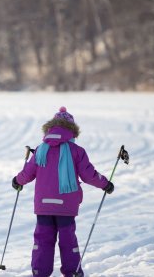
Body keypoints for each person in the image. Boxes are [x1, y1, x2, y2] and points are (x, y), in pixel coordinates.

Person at [12, 107, 114, 277]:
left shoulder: (40, 149)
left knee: (43, 241)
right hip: (66, 206)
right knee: (68, 241)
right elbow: (89, 175)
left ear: (50, 128)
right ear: (72, 130)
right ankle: (72, 272)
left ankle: (40, 273)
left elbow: (28, 173)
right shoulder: (77, 151)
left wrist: (17, 181)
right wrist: (105, 184)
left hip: (43, 206)